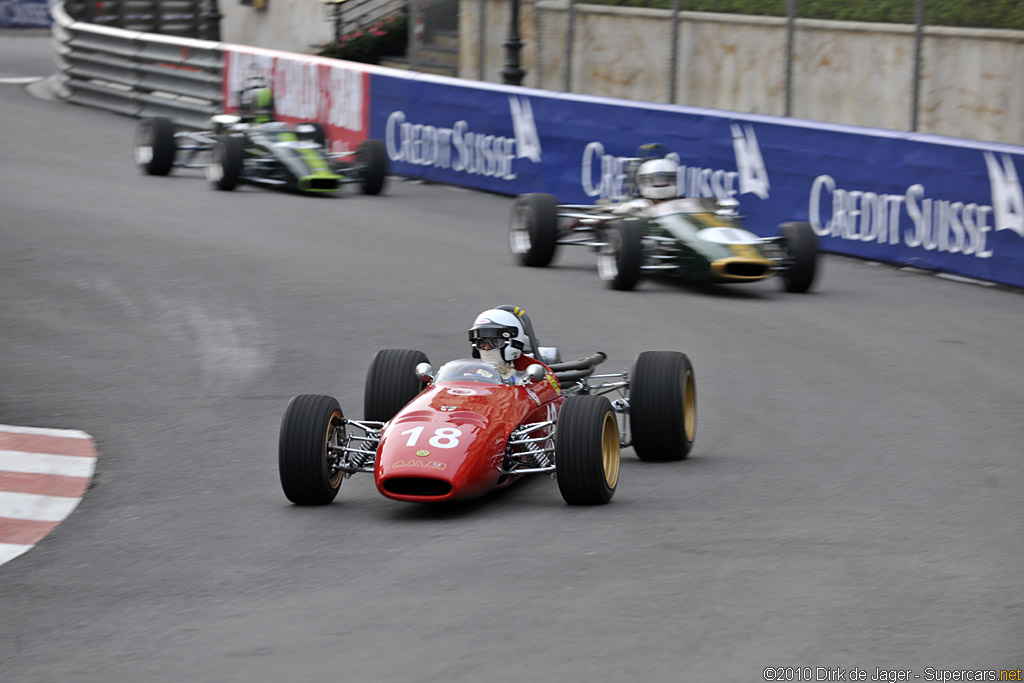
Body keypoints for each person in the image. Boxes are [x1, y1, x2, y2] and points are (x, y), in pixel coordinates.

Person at [467, 308, 532, 383]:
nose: (486, 348)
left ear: (514, 343)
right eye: (481, 342)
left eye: (495, 342)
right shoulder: (467, 376)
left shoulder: (525, 379)